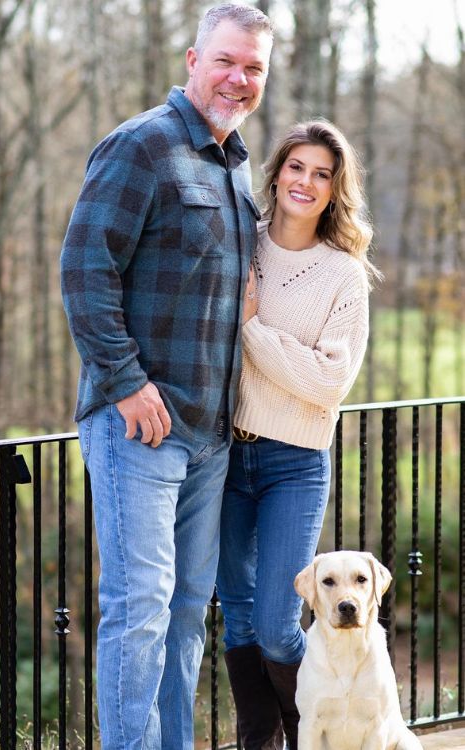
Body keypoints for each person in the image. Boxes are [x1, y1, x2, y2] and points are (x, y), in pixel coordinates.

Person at [60, 5, 273, 749]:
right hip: (138, 429)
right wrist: (123, 381)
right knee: (141, 606)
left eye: (253, 68)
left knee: (187, 611)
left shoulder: (239, 165)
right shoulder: (141, 146)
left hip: (210, 438)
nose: (239, 78)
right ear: (192, 59)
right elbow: (85, 271)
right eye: (226, 61)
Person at [216, 120, 378, 750]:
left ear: (336, 188)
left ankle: (301, 730)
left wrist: (253, 329)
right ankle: (261, 740)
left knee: (279, 624)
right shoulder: (241, 243)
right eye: (297, 167)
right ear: (276, 171)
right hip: (224, 455)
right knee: (236, 618)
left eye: (322, 173)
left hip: (294, 463)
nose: (306, 182)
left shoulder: (343, 275)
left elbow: (327, 384)